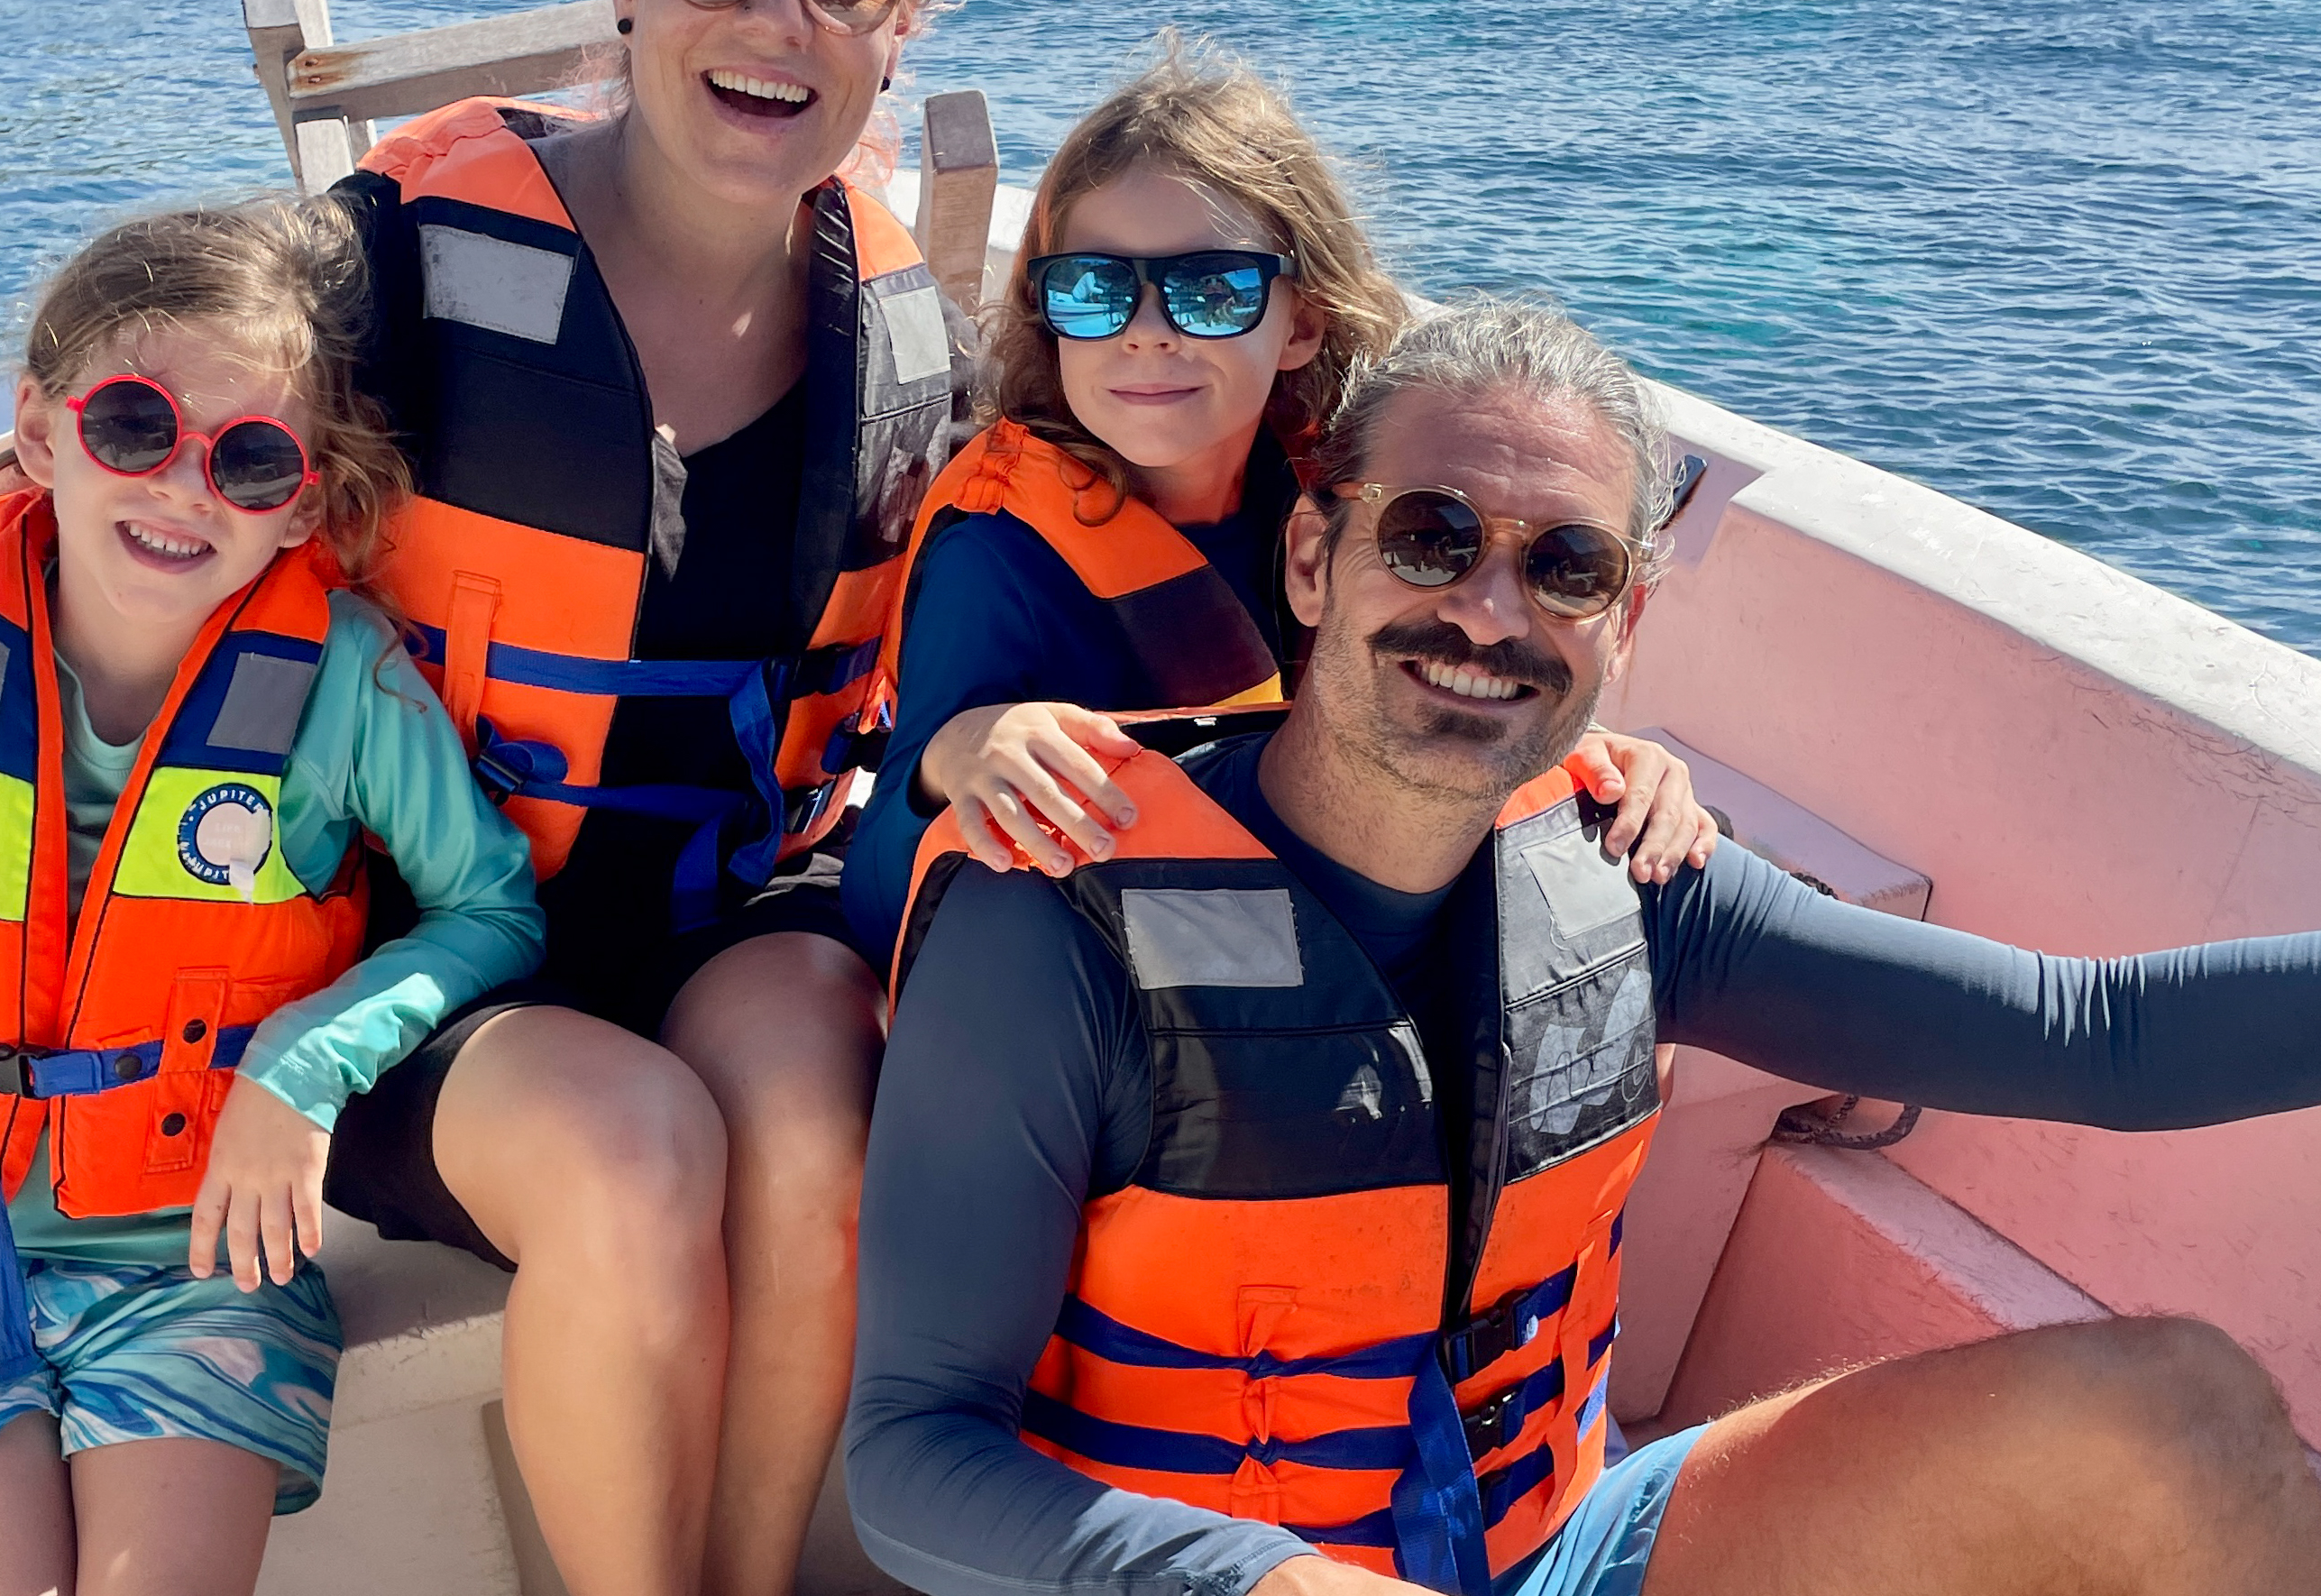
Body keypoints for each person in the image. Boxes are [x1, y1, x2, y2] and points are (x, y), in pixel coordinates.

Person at [0, 0, 962, 1596]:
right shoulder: (386, 263)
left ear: (900, 12)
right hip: (406, 975)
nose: (773, 15)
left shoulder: (904, 336)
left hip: (719, 919)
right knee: (633, 1151)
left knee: (815, 1097)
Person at [849, 298, 2321, 1596]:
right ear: (1312, 556)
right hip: (1212, 1569)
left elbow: (2099, 1039)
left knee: (2178, 1418)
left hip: (1563, 1541)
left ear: (1622, 624)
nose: (1488, 612)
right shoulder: (1053, 917)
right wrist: (1260, 1579)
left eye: (1563, 567)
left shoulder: (1632, 869)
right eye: (1430, 536)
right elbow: (912, 1449)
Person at [0, 199, 546, 1593]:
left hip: (201, 1267)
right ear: (44, 430)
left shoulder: (346, 689)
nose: (184, 487)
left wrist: (307, 1063)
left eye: (248, 459)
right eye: (134, 426)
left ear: (301, 500)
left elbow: (489, 906)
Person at [844, 43, 1711, 970]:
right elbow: (879, 889)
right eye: (1094, 290)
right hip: (1114, 986)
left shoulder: (1349, 508)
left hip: (1328, 923)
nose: (1144, 332)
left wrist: (1605, 759)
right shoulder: (999, 554)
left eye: (1209, 291)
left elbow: (1445, 691)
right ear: (1046, 313)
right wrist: (961, 754)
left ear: (1301, 322)